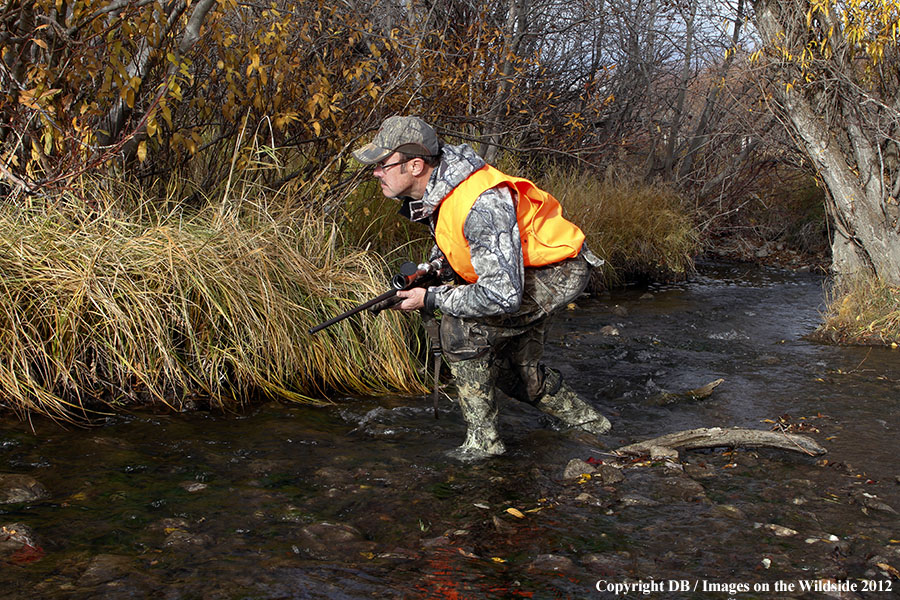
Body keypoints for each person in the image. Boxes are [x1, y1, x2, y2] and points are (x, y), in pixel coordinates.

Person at [352, 115, 611, 459]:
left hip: (556, 272)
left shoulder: (480, 203)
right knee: (512, 371)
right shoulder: (442, 189)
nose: (375, 172)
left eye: (383, 165)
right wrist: (434, 270)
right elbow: (461, 243)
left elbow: (501, 295)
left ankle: (484, 444)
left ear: (415, 165)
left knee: (458, 327)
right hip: (524, 271)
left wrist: (430, 298)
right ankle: (594, 427)